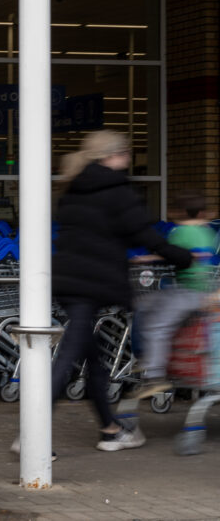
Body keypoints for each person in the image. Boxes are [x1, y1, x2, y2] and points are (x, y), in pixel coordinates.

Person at [49, 129, 191, 452]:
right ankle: (31, 431)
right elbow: (146, 233)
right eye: (126, 152)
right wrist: (182, 258)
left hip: (68, 279)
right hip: (91, 283)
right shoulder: (117, 189)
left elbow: (102, 231)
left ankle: (111, 431)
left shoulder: (75, 188)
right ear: (111, 156)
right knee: (70, 353)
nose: (129, 158)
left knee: (93, 359)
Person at [133, 190, 218, 398]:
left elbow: (174, 255)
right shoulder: (207, 232)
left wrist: (148, 259)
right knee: (149, 308)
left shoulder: (180, 232)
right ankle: (149, 360)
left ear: (178, 212)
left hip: (187, 290)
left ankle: (154, 375)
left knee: (156, 325)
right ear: (202, 214)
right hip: (199, 289)